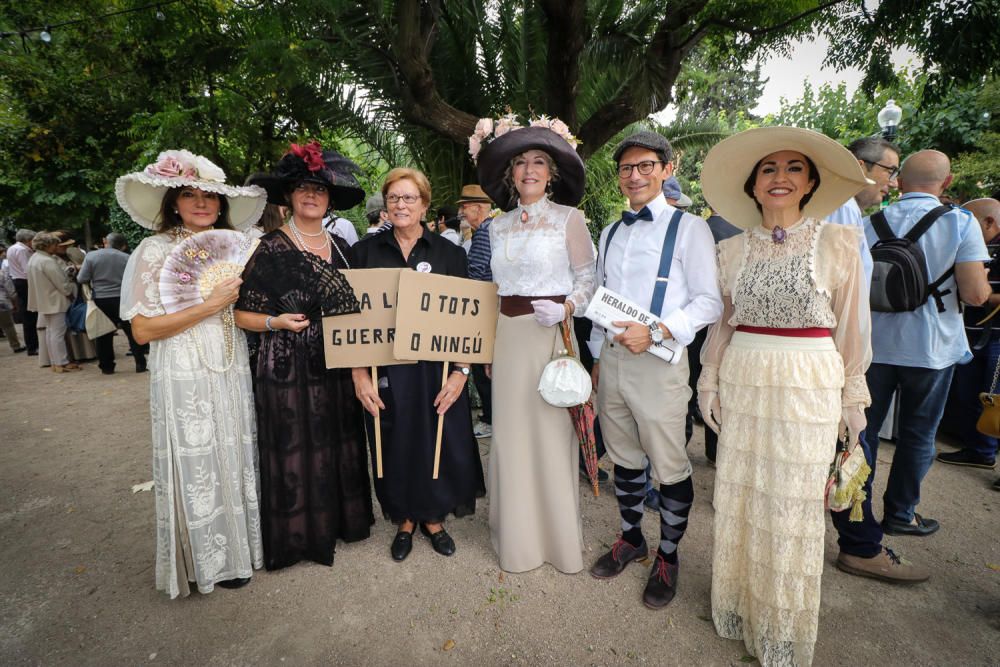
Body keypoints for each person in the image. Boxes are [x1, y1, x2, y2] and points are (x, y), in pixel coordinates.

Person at [697, 127, 873, 666]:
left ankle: (780, 628)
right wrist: (708, 378)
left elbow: (853, 330)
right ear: (753, 184)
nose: (780, 178)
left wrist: (853, 398)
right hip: (744, 377)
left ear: (811, 182)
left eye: (793, 168)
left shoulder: (839, 243)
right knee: (745, 497)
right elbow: (723, 326)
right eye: (769, 169)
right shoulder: (728, 250)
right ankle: (740, 608)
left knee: (792, 505)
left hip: (809, 383)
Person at [117, 149, 266, 597]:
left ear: (221, 204)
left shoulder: (230, 247)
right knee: (196, 460)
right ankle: (204, 562)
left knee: (233, 452)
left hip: (230, 360)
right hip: (182, 366)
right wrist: (209, 305)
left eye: (209, 196)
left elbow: (238, 314)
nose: (201, 203)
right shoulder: (154, 250)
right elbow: (141, 331)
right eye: (189, 194)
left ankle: (238, 554)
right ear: (173, 201)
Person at [586, 131, 722, 608]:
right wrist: (599, 356)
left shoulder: (691, 229)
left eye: (646, 166)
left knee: (668, 465)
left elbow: (710, 301)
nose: (635, 175)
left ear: (666, 169)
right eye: (627, 168)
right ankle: (631, 537)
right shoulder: (609, 231)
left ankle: (668, 554)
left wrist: (660, 331)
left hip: (661, 363)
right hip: (615, 360)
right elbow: (602, 297)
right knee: (622, 456)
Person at [239, 141, 375, 570]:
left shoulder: (341, 248)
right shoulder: (270, 246)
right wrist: (274, 323)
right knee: (296, 449)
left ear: (330, 198)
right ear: (289, 197)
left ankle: (338, 523)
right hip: (286, 363)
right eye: (302, 188)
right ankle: (298, 538)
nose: (311, 194)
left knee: (337, 439)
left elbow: (359, 306)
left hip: (336, 361)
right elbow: (242, 314)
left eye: (319, 188)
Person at [475, 117, 596, 573]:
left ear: (552, 172)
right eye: (521, 162)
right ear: (510, 172)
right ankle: (517, 540)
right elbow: (490, 290)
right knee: (510, 435)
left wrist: (565, 308)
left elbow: (588, 280)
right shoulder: (496, 227)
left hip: (551, 336)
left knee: (549, 436)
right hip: (507, 337)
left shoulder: (570, 219)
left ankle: (557, 540)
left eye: (538, 162)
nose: (529, 169)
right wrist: (487, 347)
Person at [351, 168, 485, 562]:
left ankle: (432, 518)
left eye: (409, 198)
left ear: (425, 205)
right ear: (385, 205)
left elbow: (468, 322)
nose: (401, 205)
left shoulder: (450, 254)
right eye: (394, 198)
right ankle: (405, 518)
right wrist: (359, 375)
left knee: (435, 437)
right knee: (392, 439)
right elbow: (351, 319)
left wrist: (462, 373)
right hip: (386, 368)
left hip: (436, 368)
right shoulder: (364, 253)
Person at [860, 150, 990, 538]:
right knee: (918, 435)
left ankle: (854, 510)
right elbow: (975, 293)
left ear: (899, 181)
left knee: (862, 432)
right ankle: (901, 513)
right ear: (946, 183)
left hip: (874, 345)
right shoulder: (960, 223)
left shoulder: (871, 223)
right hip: (931, 349)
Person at [940, 198, 1000, 474]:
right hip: (971, 333)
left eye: (972, 222)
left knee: (996, 400)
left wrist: (982, 295)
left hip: (996, 335)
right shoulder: (979, 245)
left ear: (989, 222)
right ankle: (979, 450)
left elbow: (978, 292)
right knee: (971, 395)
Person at [827, 136, 901, 284]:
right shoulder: (844, 208)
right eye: (890, 171)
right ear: (860, 168)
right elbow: (839, 285)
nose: (894, 183)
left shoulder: (844, 206)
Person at [77, 232, 148, 374]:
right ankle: (140, 362)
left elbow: (81, 278)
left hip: (101, 298)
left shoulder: (91, 256)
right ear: (122, 245)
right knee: (131, 331)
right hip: (123, 298)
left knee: (103, 333)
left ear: (105, 241)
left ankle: (107, 366)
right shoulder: (127, 258)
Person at [457, 184, 495, 438]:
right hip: (494, 307)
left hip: (484, 309)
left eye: (464, 207)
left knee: (483, 370)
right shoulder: (493, 229)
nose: (460, 212)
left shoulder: (483, 233)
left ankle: (491, 419)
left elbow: (476, 273)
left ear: (478, 208)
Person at [27, 232, 79, 372]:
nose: (57, 246)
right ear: (48, 245)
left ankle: (56, 362)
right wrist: (70, 292)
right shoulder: (47, 261)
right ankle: (61, 362)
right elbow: (61, 283)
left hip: (45, 299)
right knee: (57, 332)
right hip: (54, 300)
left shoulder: (34, 258)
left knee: (51, 332)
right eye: (55, 244)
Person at [8, 229, 38, 355]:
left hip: (18, 281)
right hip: (25, 282)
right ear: (27, 240)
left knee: (27, 314)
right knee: (30, 314)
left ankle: (31, 345)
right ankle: (33, 346)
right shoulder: (23, 250)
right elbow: (27, 269)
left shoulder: (12, 248)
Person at [0, 249, 25, 352]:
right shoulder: (1, 273)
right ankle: (15, 346)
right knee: (8, 325)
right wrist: (15, 303)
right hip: (2, 303)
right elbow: (10, 290)